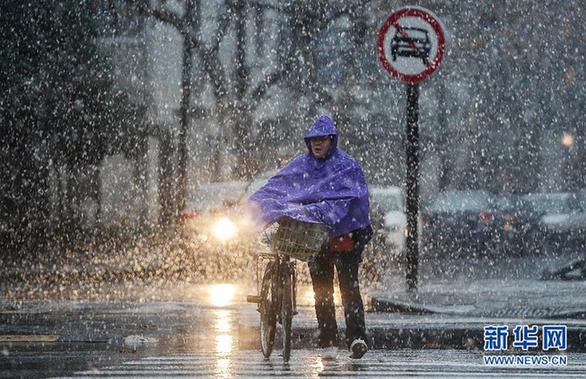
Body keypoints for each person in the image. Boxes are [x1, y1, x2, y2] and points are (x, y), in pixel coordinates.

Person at [247, 115, 372, 359]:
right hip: (315, 236)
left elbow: (355, 200)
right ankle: (328, 339)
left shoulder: (346, 166)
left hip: (344, 237)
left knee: (348, 288)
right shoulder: (301, 166)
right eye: (313, 139)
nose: (317, 143)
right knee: (322, 289)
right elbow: (278, 186)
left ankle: (356, 338)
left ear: (331, 140)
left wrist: (336, 217)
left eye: (322, 139)